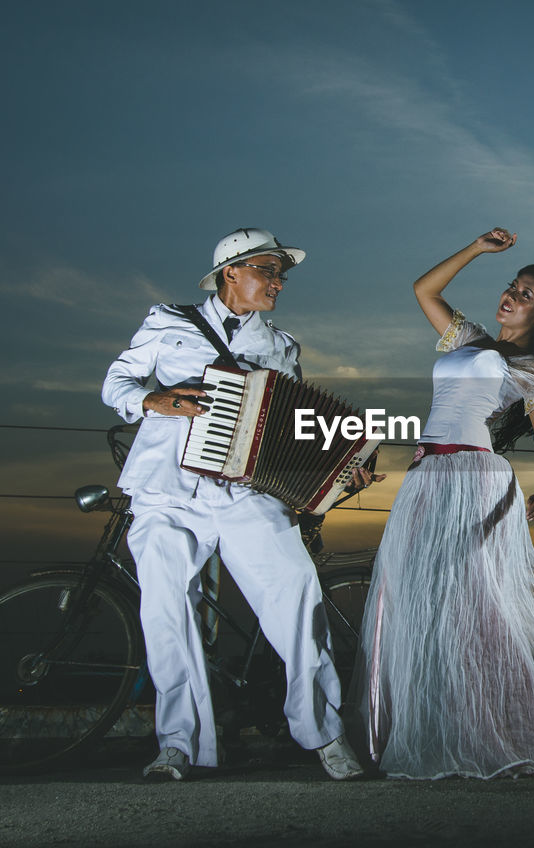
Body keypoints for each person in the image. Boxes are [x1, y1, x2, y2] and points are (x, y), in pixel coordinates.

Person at [101, 227, 378, 781]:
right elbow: (117, 383)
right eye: (268, 271)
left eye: (281, 274)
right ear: (231, 271)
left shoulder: (282, 346)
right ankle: (178, 744)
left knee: (298, 598)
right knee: (165, 610)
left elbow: (299, 427)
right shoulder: (167, 322)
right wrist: (154, 399)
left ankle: (325, 736)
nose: (278, 282)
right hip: (167, 490)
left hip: (247, 492)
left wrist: (344, 465)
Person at [350, 227, 534, 779]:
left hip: (476, 477)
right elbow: (424, 291)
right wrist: (477, 250)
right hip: (425, 472)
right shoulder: (468, 340)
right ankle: (401, 730)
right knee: (402, 589)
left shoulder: (533, 371)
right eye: (512, 286)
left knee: (472, 600)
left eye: (526, 295)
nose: (511, 296)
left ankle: (500, 731)